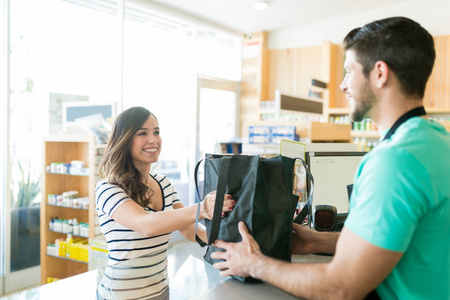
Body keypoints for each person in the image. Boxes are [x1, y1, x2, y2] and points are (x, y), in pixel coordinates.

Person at [211, 17, 450, 300]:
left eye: (349, 71)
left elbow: (341, 286)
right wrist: (316, 241)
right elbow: (401, 243)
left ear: (380, 73)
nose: (342, 85)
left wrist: (255, 263)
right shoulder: (437, 139)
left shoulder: (394, 162)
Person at [95, 106, 235, 299]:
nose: (153, 140)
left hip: (160, 291)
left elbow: (188, 229)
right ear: (125, 140)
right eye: (142, 133)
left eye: (157, 132)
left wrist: (225, 243)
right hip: (120, 295)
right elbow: (146, 225)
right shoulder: (108, 188)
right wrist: (202, 208)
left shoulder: (163, 183)